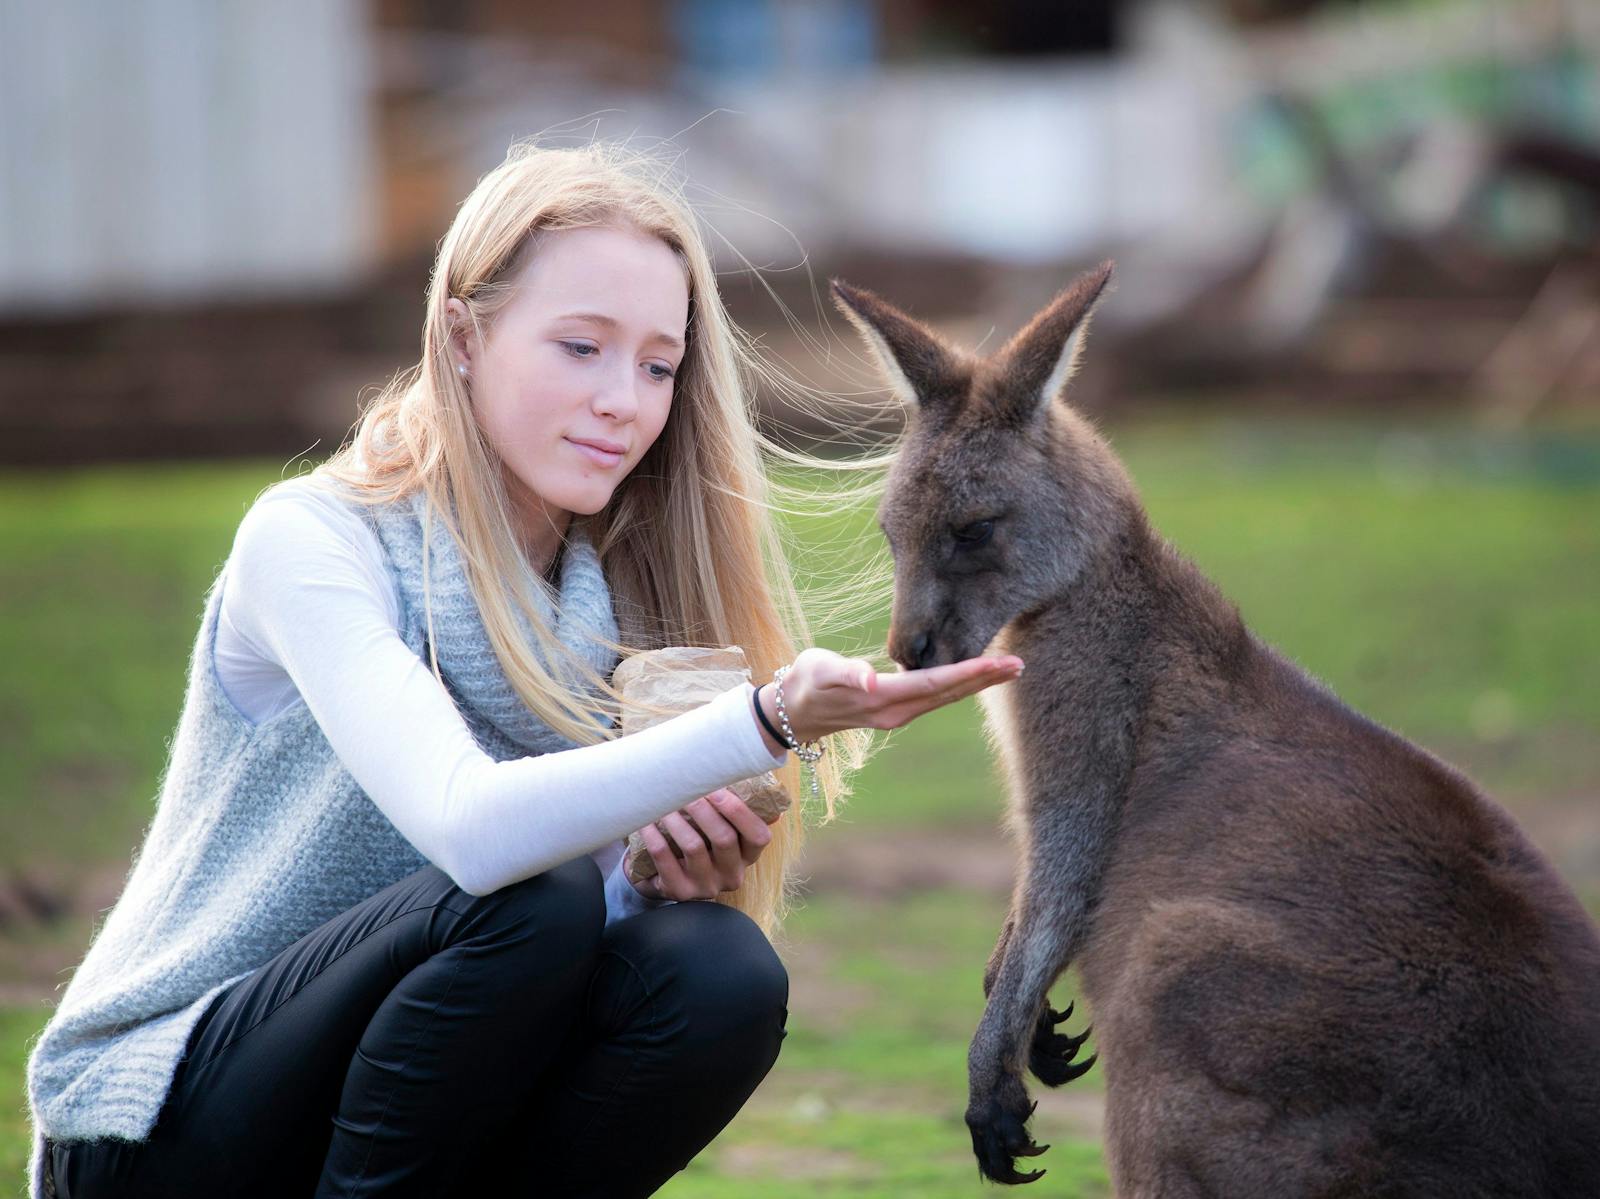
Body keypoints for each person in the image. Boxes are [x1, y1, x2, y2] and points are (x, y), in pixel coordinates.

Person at [23, 140, 1023, 1199]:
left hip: (377, 1117)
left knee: (715, 974)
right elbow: (472, 828)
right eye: (581, 347)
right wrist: (767, 717)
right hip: (154, 1126)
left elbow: (510, 971)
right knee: (527, 892)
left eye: (656, 364)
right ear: (462, 334)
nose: (623, 401)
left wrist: (641, 883)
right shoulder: (315, 542)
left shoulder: (622, 607)